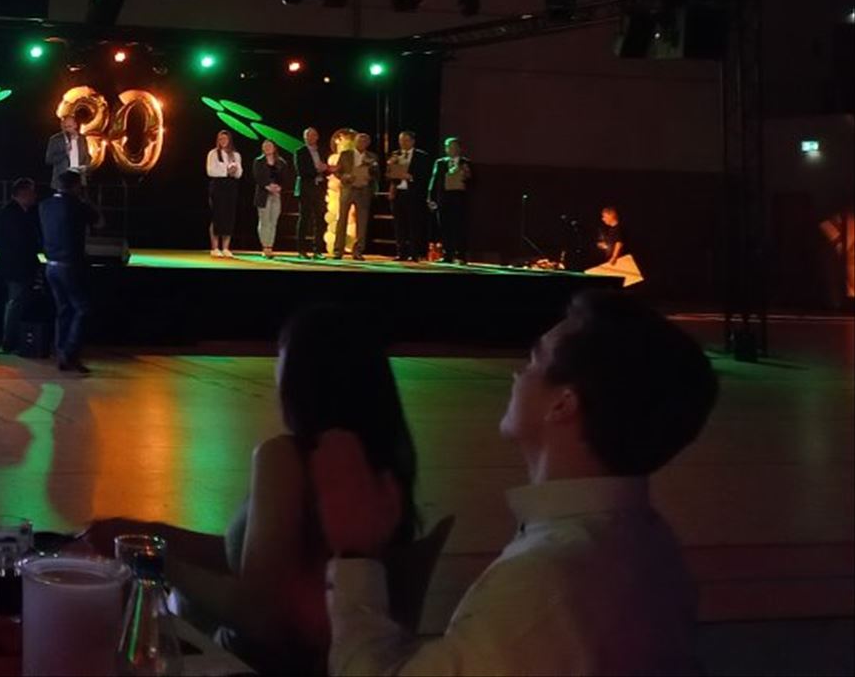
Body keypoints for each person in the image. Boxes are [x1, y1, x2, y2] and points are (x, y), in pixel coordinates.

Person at [314, 290, 718, 675]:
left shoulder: (545, 582)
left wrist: (356, 558)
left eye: (532, 361)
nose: (516, 376)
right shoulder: (654, 546)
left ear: (562, 404)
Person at [85, 308, 421, 674]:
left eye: (280, 355)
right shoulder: (385, 464)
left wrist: (158, 564)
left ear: (299, 378)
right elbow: (265, 559)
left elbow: (259, 614)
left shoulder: (285, 458)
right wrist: (156, 536)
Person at [39, 169, 101, 374]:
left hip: (51, 265)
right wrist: (87, 200)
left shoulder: (45, 205)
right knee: (82, 309)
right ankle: (69, 352)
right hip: (70, 265)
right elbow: (100, 222)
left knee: (63, 309)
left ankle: (62, 353)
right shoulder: (77, 206)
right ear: (76, 186)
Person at [0, 178, 42, 354]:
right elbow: (20, 242)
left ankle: (12, 340)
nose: (35, 196)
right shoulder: (12, 213)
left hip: (18, 265)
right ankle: (10, 341)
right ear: (23, 193)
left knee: (16, 302)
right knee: (15, 302)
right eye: (32, 192)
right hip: (17, 266)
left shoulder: (13, 212)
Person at [386, 131, 431, 262]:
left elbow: (426, 175)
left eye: (406, 140)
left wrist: (411, 177)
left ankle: (415, 253)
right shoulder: (395, 154)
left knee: (414, 224)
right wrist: (392, 171)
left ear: (412, 141)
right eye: (401, 140)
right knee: (399, 224)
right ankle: (401, 253)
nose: (403, 143)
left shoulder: (421, 156)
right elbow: (388, 174)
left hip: (414, 194)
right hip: (398, 193)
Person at [429, 137, 475, 264]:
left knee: (459, 227)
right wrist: (431, 198)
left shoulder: (466, 163)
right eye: (448, 147)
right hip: (443, 199)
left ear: (459, 148)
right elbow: (434, 181)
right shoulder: (440, 163)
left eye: (453, 147)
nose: (450, 149)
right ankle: (447, 255)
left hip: (459, 200)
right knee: (444, 227)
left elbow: (473, 182)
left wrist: (467, 175)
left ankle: (460, 255)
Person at [332, 132, 375, 261]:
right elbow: (337, 172)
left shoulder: (372, 157)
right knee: (342, 219)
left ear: (368, 143)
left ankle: (358, 251)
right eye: (359, 141)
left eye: (364, 141)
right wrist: (344, 176)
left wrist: (370, 176)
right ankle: (338, 250)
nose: (361, 143)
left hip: (363, 191)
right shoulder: (345, 154)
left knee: (362, 222)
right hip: (348, 189)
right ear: (355, 142)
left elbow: (377, 174)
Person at [206, 130, 245, 258]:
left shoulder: (236, 155)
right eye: (220, 139)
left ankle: (226, 248)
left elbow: (240, 173)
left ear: (229, 140)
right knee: (217, 216)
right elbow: (210, 171)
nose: (223, 141)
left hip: (231, 186)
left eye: (225, 139)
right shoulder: (213, 153)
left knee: (229, 216)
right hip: (218, 186)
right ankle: (215, 247)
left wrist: (235, 172)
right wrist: (226, 171)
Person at [294, 127, 332, 259]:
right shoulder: (300, 152)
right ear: (304, 138)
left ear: (317, 137)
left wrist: (326, 169)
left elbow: (327, 169)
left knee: (319, 219)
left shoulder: (322, 151)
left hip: (319, 188)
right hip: (306, 189)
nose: (310, 138)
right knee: (304, 218)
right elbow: (301, 171)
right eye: (307, 136)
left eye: (313, 135)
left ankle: (317, 250)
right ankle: (301, 250)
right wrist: (318, 170)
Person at [253, 139, 294, 259]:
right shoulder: (258, 161)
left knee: (273, 221)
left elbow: (286, 178)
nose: (267, 148)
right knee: (264, 221)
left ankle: (270, 246)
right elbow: (257, 177)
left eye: (269, 146)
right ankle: (265, 246)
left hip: (276, 194)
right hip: (263, 194)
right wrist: (267, 186)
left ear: (274, 148)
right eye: (265, 146)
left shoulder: (281, 162)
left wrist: (279, 187)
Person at [45, 113, 88, 190]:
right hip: (62, 181)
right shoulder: (55, 139)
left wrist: (85, 166)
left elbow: (87, 156)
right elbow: (49, 160)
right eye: (65, 127)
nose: (67, 129)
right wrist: (65, 153)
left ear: (75, 125)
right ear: (61, 126)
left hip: (78, 179)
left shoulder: (82, 139)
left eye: (69, 126)